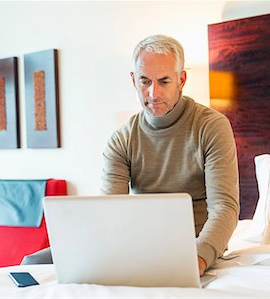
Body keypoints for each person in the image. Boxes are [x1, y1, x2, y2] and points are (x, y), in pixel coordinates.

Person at [101, 34, 239, 276]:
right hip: (140, 249)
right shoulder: (121, 140)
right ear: (133, 80)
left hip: (196, 249)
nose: (153, 94)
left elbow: (225, 208)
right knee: (35, 261)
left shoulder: (212, 126)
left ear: (181, 79)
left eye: (164, 82)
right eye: (145, 81)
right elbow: (110, 214)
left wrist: (196, 260)